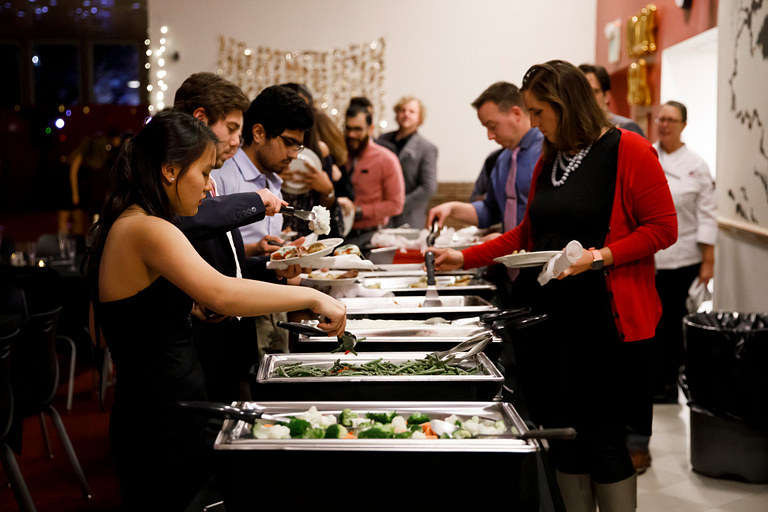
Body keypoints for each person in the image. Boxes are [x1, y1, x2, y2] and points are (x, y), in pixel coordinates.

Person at [429, 60, 677, 512]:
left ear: (566, 106)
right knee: (561, 435)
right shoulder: (551, 157)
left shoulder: (629, 150)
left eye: (539, 112)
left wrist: (599, 256)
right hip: (549, 320)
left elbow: (663, 228)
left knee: (603, 439)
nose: (535, 123)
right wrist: (465, 256)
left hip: (605, 320)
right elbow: (528, 234)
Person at [86, 110, 346, 510]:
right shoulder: (148, 227)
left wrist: (184, 308)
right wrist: (312, 297)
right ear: (171, 171)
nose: (210, 187)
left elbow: (107, 325)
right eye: (205, 172)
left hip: (159, 405)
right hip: (160, 417)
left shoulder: (129, 221)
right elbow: (224, 293)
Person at [173, 72, 295, 401]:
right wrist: (254, 201)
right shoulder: (171, 178)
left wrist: (272, 267)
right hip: (185, 347)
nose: (236, 142)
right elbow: (187, 225)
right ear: (200, 119)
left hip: (221, 335)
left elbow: (227, 265)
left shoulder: (206, 177)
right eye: (231, 129)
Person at [652, 100, 717, 401]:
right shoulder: (648, 155)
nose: (664, 124)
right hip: (648, 258)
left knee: (674, 324)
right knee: (650, 324)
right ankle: (649, 381)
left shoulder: (696, 165)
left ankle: (668, 384)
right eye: (660, 119)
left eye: (671, 120)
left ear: (683, 125)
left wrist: (708, 260)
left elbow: (707, 214)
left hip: (684, 259)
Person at [280, 83, 345, 238]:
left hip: (311, 236)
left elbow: (328, 214)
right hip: (277, 233)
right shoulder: (271, 148)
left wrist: (327, 189)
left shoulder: (319, 151)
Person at [343, 102, 405, 253]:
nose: (351, 135)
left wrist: (357, 211)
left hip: (371, 237)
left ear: (370, 129)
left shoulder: (386, 159)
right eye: (348, 129)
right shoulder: (340, 155)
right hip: (341, 236)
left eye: (357, 129)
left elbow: (396, 204)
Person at [379, 96, 438, 229]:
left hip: (408, 218)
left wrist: (397, 206)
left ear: (419, 118)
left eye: (411, 112)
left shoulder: (427, 148)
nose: (406, 114)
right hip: (378, 216)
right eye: (402, 110)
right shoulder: (381, 141)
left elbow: (428, 188)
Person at [579, 64, 645, 136]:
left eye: (594, 91)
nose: (588, 97)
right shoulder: (576, 130)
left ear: (606, 96)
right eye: (583, 92)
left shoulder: (626, 128)